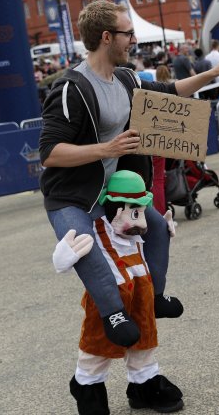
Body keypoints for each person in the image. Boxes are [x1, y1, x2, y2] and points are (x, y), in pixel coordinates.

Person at [39, 0, 219, 347]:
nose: (134, 39)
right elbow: (50, 153)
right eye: (128, 33)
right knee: (83, 245)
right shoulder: (72, 87)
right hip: (71, 196)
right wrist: (107, 149)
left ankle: (154, 297)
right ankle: (113, 314)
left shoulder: (126, 78)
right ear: (106, 36)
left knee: (160, 229)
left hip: (113, 193)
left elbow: (170, 92)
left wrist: (210, 74)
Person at [53, 170, 183, 414]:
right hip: (108, 301)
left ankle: (143, 383)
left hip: (141, 293)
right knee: (98, 346)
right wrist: (63, 255)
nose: (139, 221)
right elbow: (70, 261)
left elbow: (149, 251)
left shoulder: (137, 231)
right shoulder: (94, 228)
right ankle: (87, 386)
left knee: (144, 340)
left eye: (141, 211)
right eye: (133, 211)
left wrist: (165, 232)